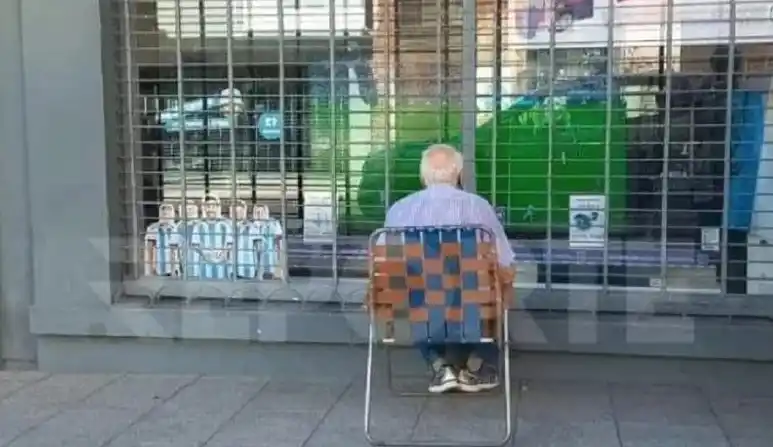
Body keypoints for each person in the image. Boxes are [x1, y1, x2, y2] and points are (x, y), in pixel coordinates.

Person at [383, 144, 515, 394]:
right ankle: (477, 365)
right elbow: (505, 260)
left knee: (414, 291)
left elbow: (386, 264)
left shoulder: (399, 210)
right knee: (490, 289)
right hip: (472, 304)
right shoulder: (478, 207)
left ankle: (440, 366)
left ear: (423, 176)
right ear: (459, 174)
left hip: (418, 307)